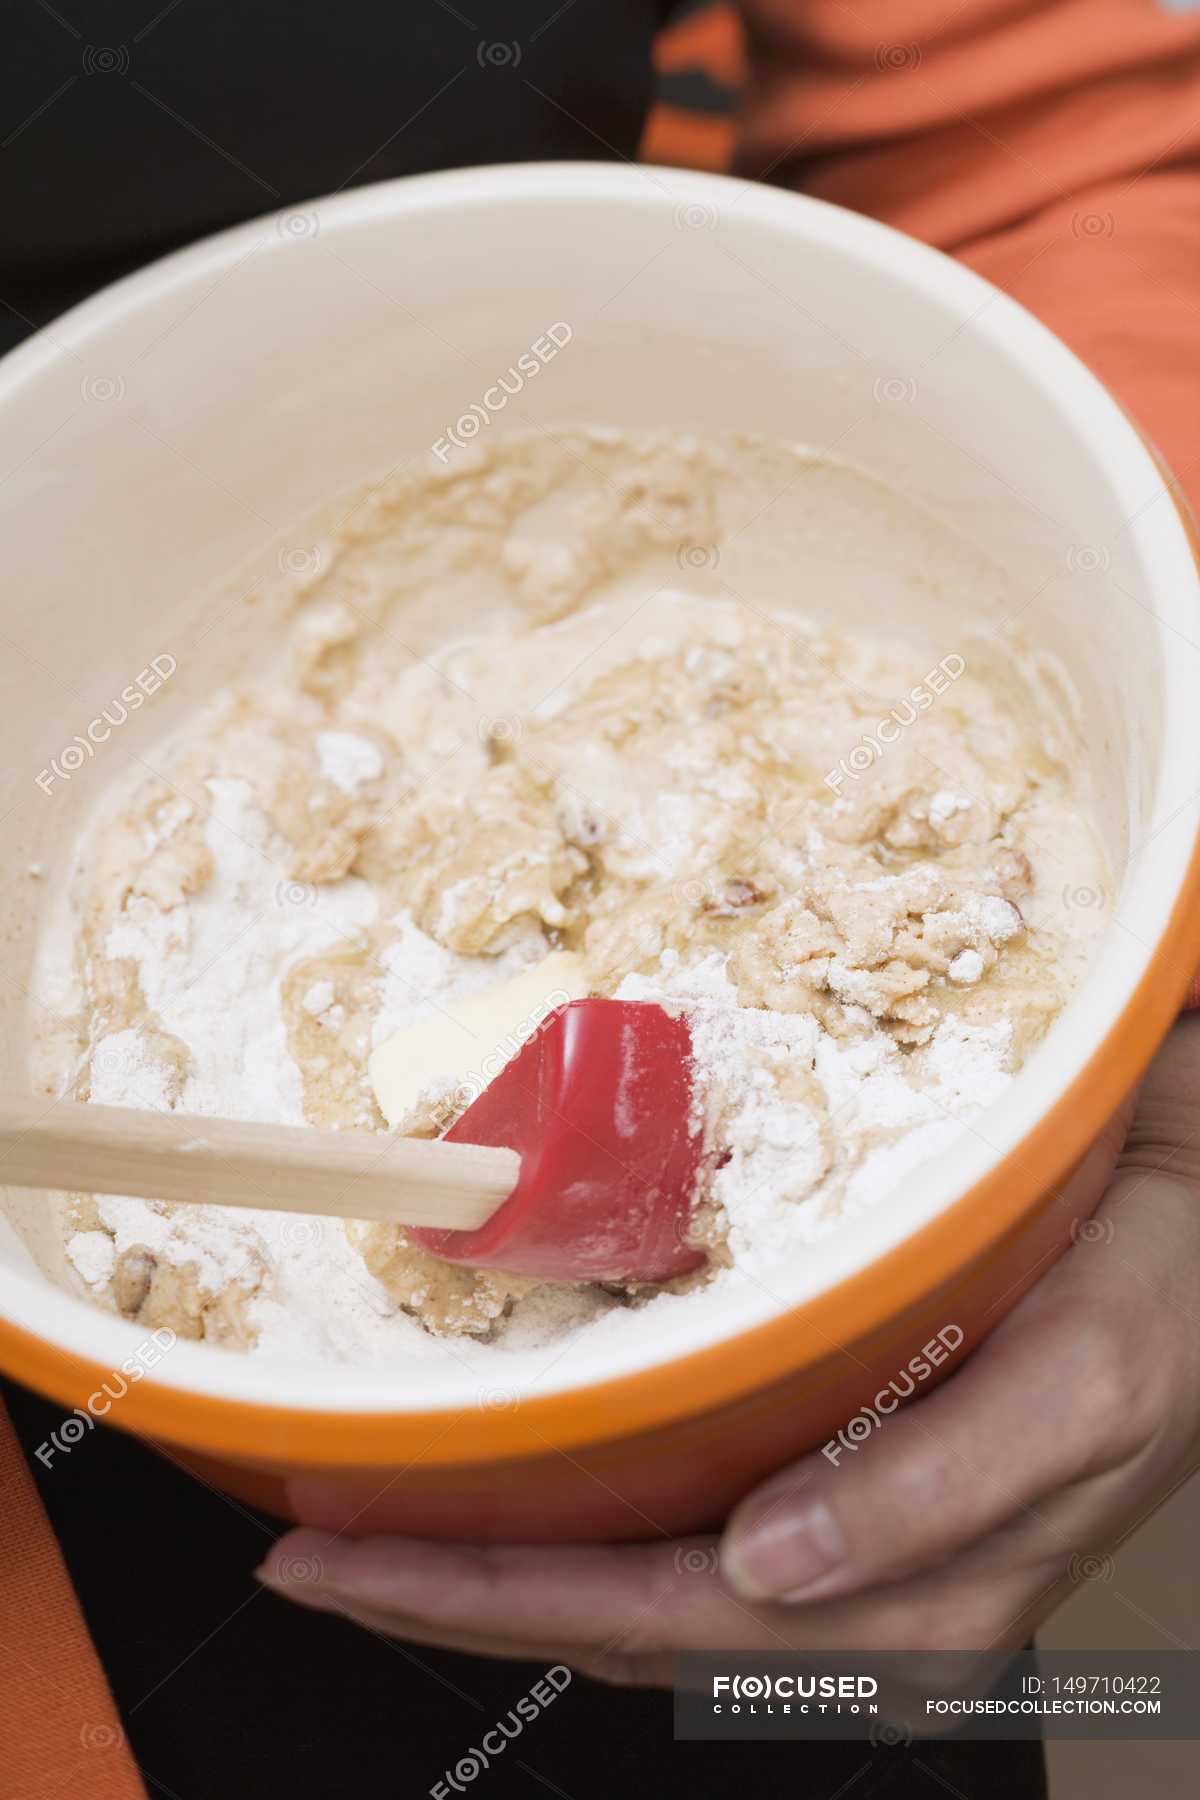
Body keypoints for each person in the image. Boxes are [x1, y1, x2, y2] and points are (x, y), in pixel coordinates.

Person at [4, 3, 1200, 1795]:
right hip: (138, 1520)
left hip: (816, 1516)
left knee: (904, 1708)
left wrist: (1171, 1094)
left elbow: (1039, 134)